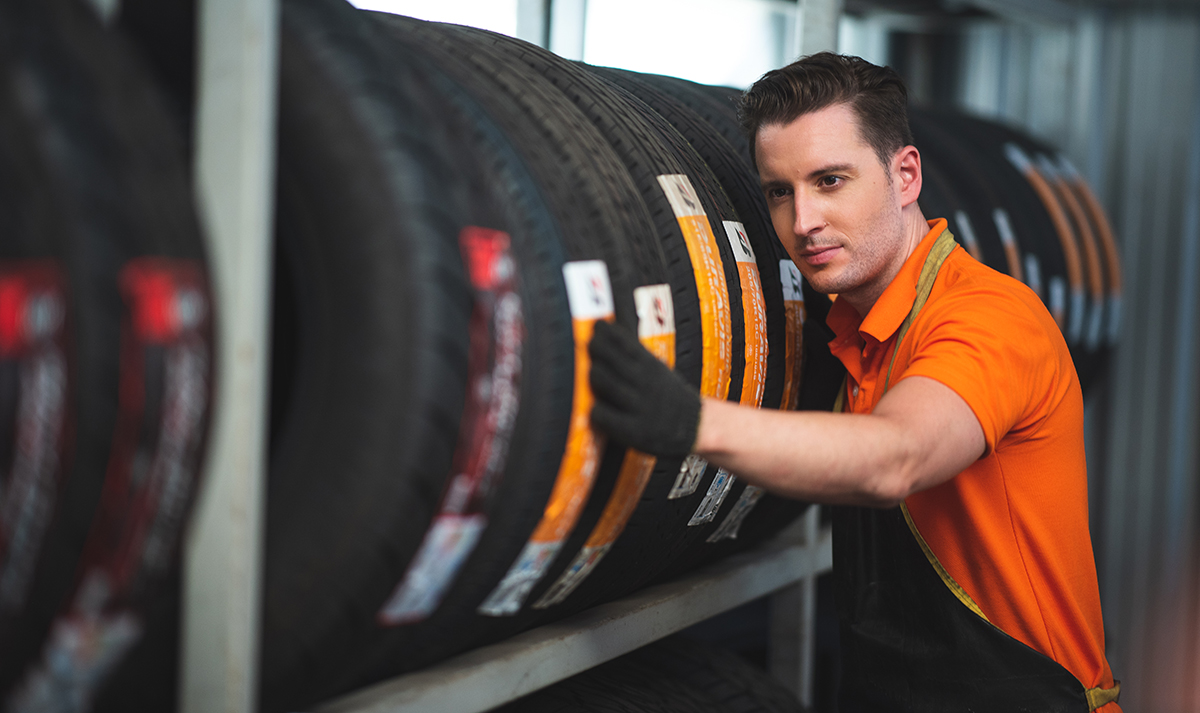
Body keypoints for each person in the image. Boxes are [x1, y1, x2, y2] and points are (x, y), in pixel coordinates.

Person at [587, 52, 1121, 712]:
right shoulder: (856, 331)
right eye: (780, 191)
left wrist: (692, 422)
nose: (802, 220)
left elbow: (896, 457)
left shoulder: (988, 318)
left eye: (830, 181)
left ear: (905, 176)